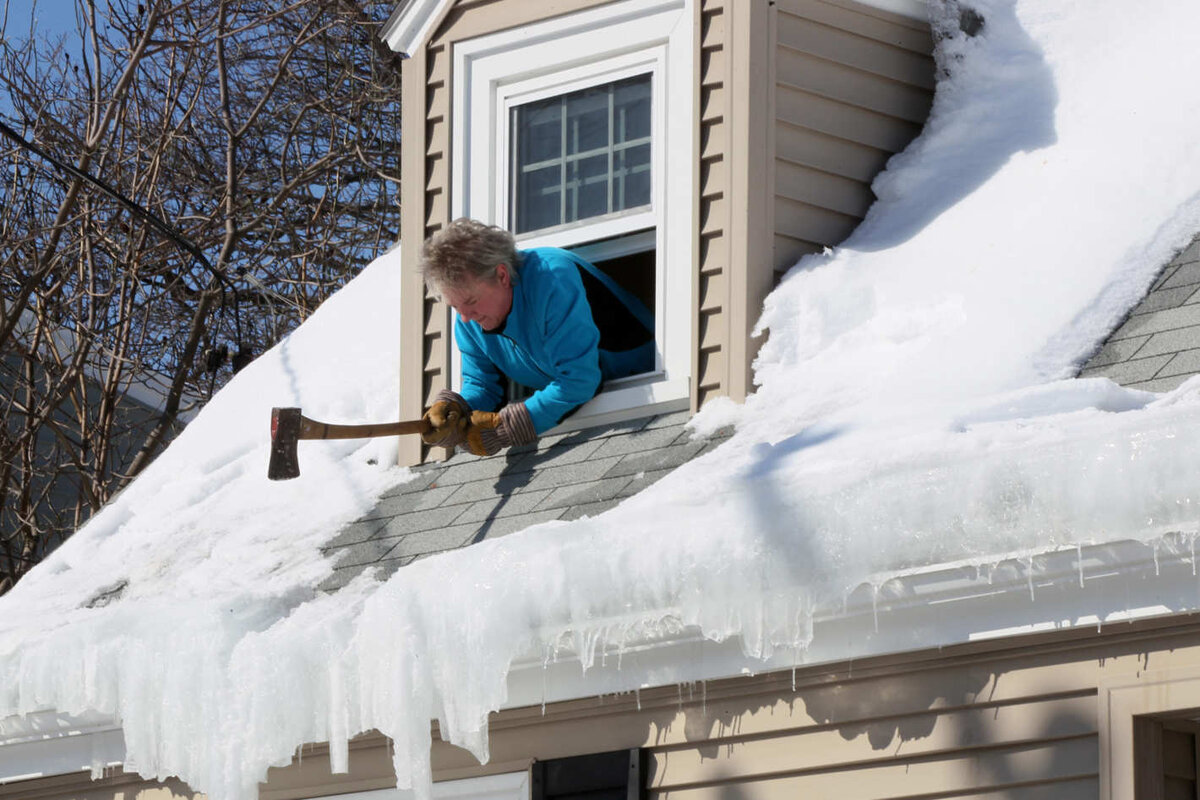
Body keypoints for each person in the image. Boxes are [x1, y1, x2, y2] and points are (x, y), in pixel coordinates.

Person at [419, 218, 655, 456]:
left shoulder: (551, 278)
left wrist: (508, 428)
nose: (465, 317)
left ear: (502, 275)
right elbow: (483, 385)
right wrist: (456, 409)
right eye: (455, 306)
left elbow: (579, 379)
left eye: (470, 301)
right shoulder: (468, 321)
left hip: (647, 390)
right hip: (587, 407)